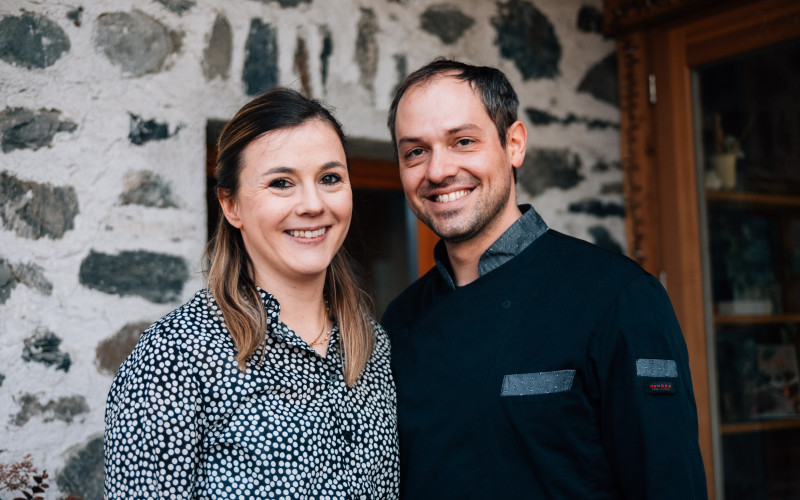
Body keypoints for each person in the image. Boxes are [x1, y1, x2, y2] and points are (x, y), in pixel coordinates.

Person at [381, 58, 707, 499]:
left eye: (462, 141)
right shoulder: (399, 323)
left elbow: (668, 484)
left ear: (513, 144)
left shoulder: (619, 298)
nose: (437, 171)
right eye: (415, 151)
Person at [104, 88, 399, 499]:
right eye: (281, 183)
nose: (313, 204)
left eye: (330, 178)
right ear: (231, 205)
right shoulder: (176, 356)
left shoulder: (373, 346)